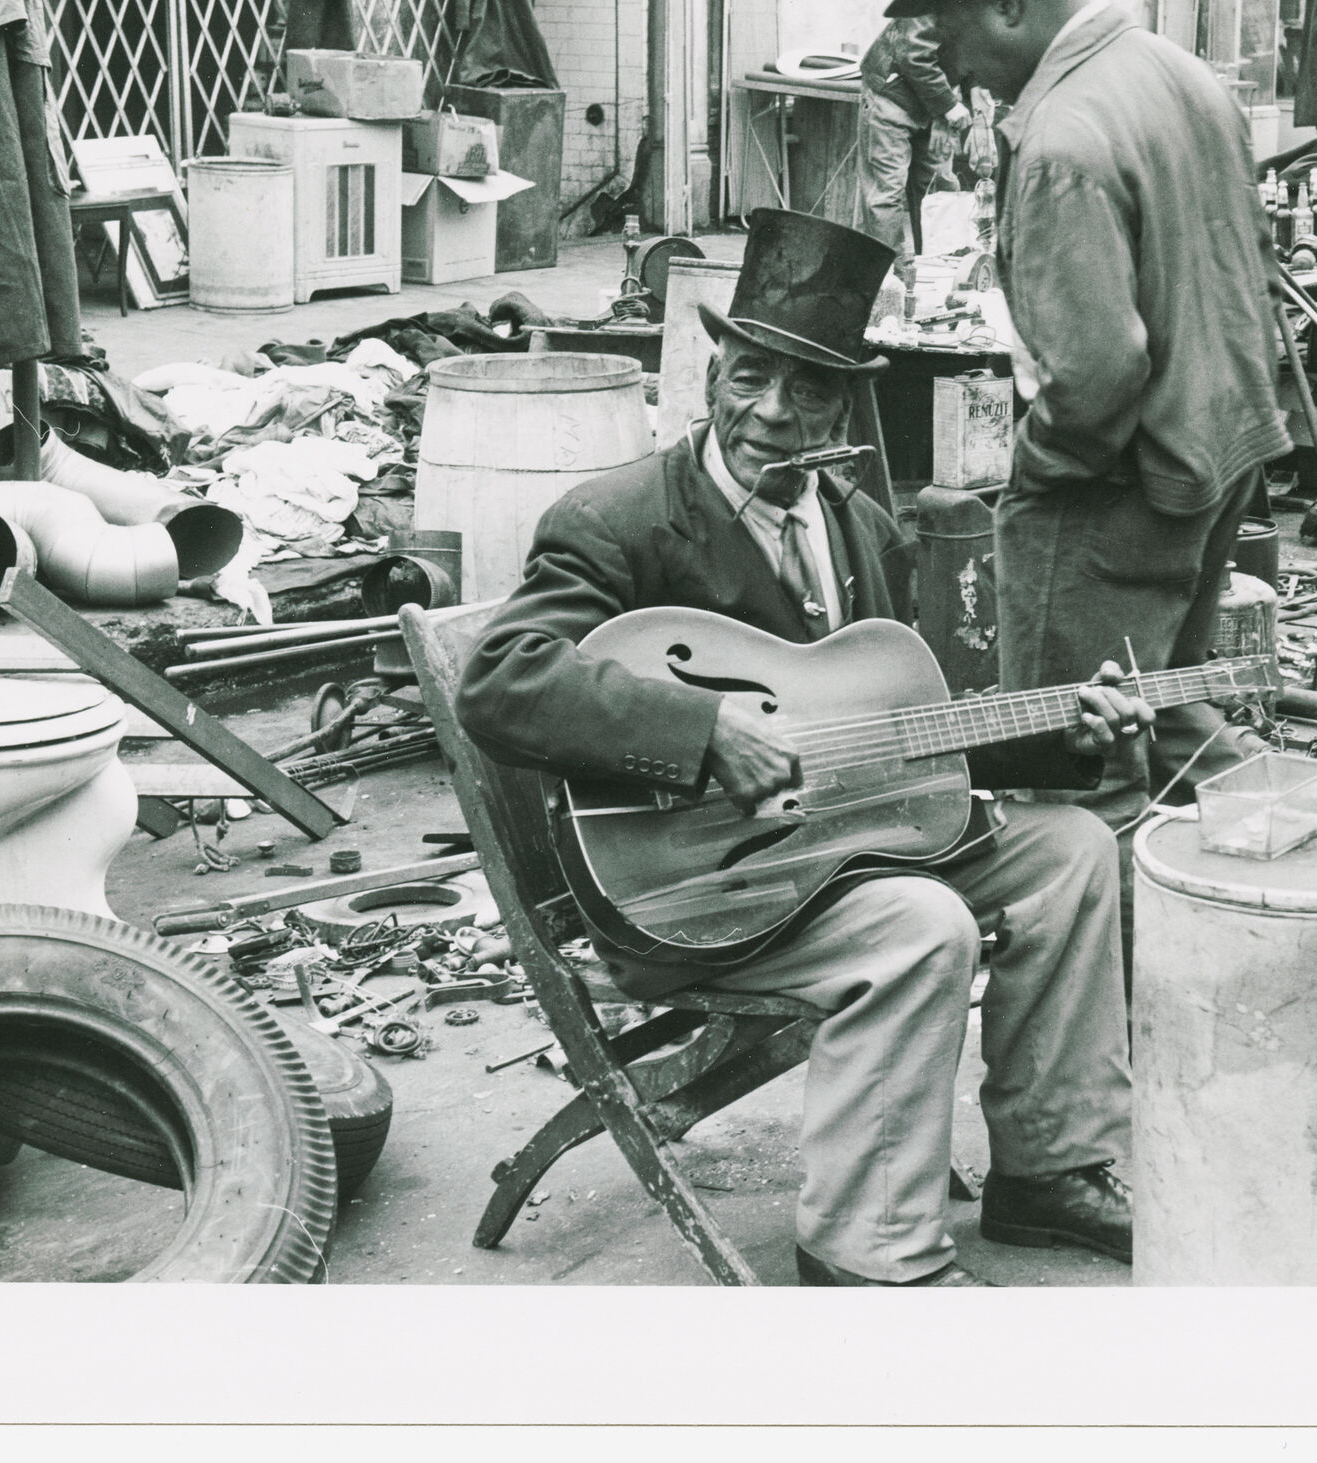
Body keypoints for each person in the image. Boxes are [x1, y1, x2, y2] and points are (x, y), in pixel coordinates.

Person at [455, 207, 1145, 1287]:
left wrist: (1065, 735)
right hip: (698, 892)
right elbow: (499, 680)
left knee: (1069, 852)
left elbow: (898, 733)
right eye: (748, 377)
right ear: (710, 372)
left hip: (835, 849)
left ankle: (1049, 1169)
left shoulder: (859, 523)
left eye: (807, 389)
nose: (771, 414)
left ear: (845, 404)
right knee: (921, 922)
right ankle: (864, 1251)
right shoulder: (621, 520)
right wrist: (697, 728)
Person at [883, 0, 1290, 967]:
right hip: (1219, 438)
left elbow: (1099, 368)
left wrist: (1044, 469)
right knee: (1166, 707)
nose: (957, 71)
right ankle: (1228, 944)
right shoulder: (1175, 71)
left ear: (1007, 5)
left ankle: (1099, 1021)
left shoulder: (1064, 132)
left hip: (1118, 481)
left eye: (954, 38)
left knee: (1078, 767)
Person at [855, 16, 971, 257]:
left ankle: (934, 275)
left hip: (933, 103)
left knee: (935, 193)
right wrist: (948, 105)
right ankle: (888, 282)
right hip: (892, 96)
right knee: (887, 194)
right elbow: (913, 54)